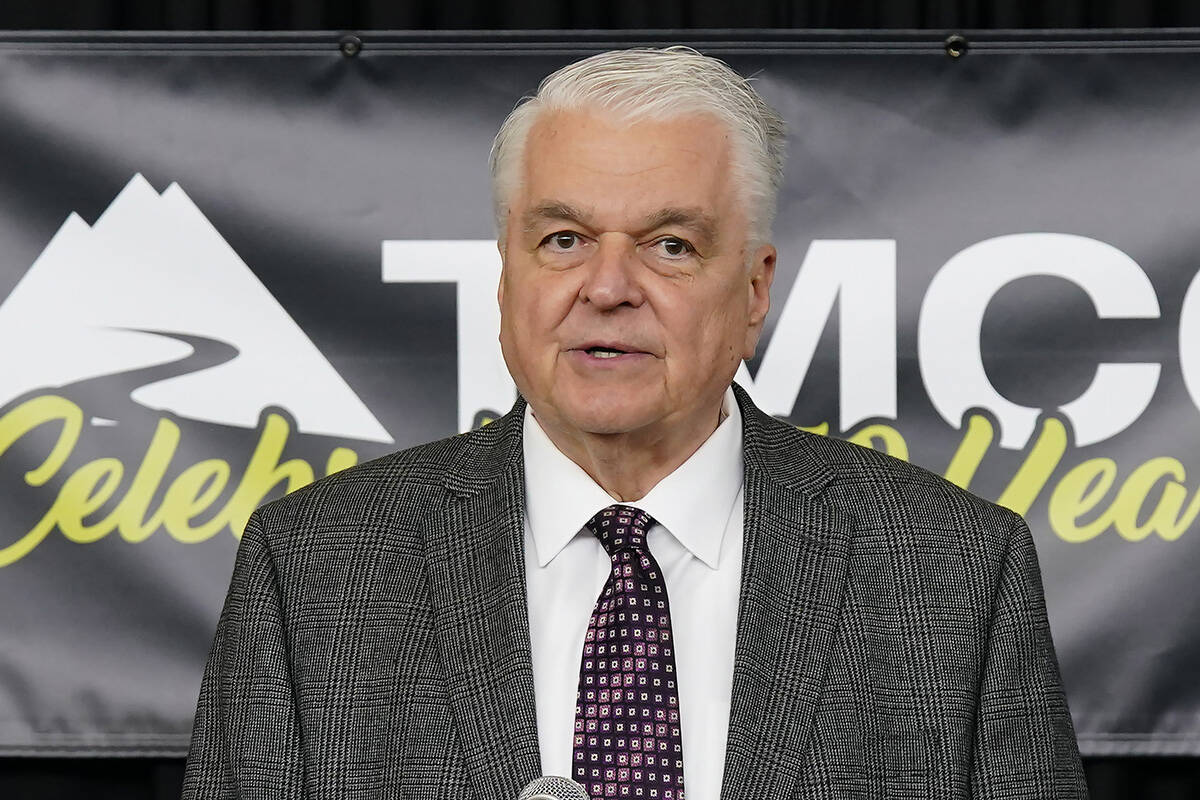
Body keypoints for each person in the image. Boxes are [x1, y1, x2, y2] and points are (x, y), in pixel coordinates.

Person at [183, 47, 1087, 799]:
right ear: (506, 279)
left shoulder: (955, 571)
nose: (607, 289)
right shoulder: (314, 567)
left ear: (755, 288)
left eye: (670, 245)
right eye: (564, 239)